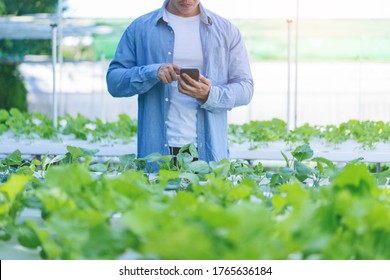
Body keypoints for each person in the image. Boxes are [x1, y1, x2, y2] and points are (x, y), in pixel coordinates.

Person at [106, 0, 253, 169]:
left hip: (209, 156)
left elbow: (246, 88)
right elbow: (114, 81)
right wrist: (152, 72)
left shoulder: (227, 31)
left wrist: (209, 94)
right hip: (156, 155)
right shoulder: (140, 29)